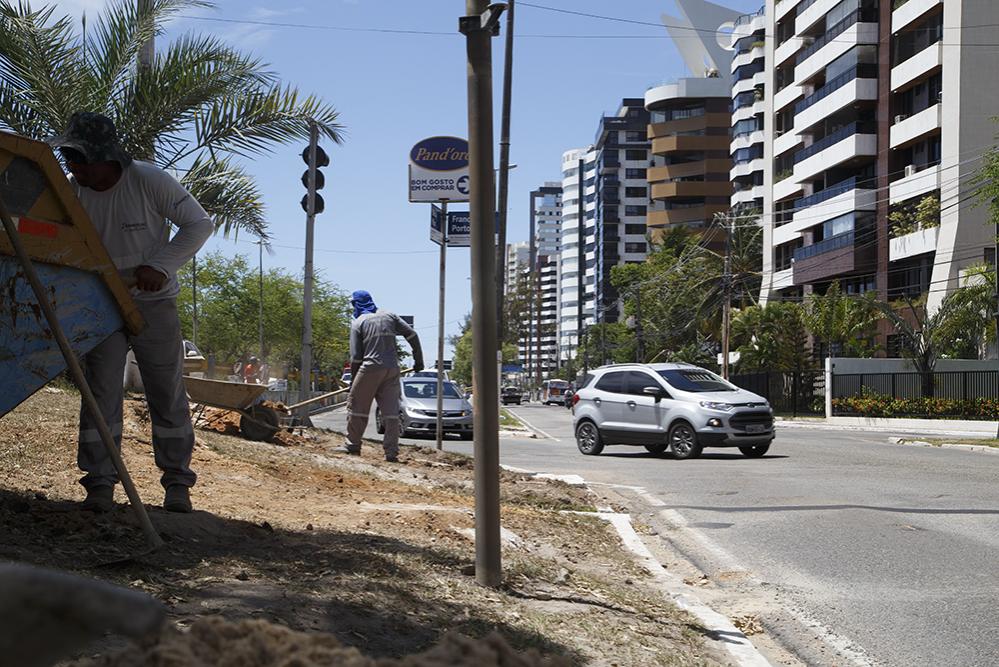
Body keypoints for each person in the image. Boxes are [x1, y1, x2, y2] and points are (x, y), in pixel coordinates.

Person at [49, 112, 213, 513]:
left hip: (153, 301)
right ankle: (99, 482)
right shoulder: (71, 191)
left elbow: (199, 224)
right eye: (69, 158)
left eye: (80, 159)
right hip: (100, 302)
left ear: (106, 157)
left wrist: (160, 266)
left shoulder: (149, 180)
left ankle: (177, 482)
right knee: (101, 392)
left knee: (165, 390)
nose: (74, 167)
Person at [345, 290, 424, 462]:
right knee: (391, 413)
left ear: (357, 304)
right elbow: (412, 334)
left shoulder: (358, 322)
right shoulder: (390, 316)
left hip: (370, 368)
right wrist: (419, 360)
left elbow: (356, 357)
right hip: (392, 369)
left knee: (357, 408)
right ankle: (391, 453)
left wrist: (354, 382)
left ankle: (352, 446)